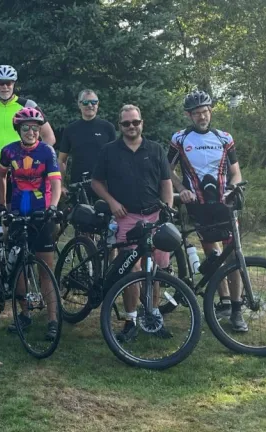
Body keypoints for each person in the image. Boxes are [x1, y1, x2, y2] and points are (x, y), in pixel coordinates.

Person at [91, 104, 174, 342]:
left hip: (154, 216)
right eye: (126, 123)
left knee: (154, 270)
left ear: (141, 123)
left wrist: (167, 210)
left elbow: (166, 183)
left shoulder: (156, 149)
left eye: (135, 122)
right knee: (131, 270)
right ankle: (131, 320)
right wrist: (112, 202)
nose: (131, 127)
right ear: (120, 126)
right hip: (126, 217)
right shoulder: (109, 151)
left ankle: (153, 317)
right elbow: (96, 182)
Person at [169, 90, 247, 332]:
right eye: (196, 113)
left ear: (210, 111)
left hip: (225, 205)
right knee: (214, 256)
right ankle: (224, 302)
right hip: (199, 207)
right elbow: (166, 169)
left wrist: (233, 188)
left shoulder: (224, 138)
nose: (202, 117)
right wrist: (181, 189)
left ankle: (237, 309)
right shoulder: (180, 139)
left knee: (233, 257)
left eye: (205, 112)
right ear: (189, 115)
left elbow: (236, 172)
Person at [0, 108, 62, 340]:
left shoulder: (47, 151)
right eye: (26, 128)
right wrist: (2, 204)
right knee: (18, 267)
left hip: (42, 213)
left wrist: (53, 206)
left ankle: (53, 319)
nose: (31, 132)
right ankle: (24, 314)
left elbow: (55, 182)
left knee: (46, 269)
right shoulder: (9, 151)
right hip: (17, 211)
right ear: (19, 130)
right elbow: (1, 175)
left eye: (35, 128)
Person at [0, 65, 56, 194]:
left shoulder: (28, 105)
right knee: (3, 205)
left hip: (25, 170)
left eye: (8, 83)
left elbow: (49, 137)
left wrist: (36, 160)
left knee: (26, 204)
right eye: (1, 83)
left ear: (14, 84)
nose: (5, 87)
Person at [56, 89, 116, 201]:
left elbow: (116, 158)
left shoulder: (108, 128)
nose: (90, 105)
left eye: (93, 102)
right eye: (85, 102)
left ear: (98, 104)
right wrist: (61, 185)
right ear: (79, 104)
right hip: (78, 186)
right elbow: (62, 160)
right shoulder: (70, 129)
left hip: (104, 186)